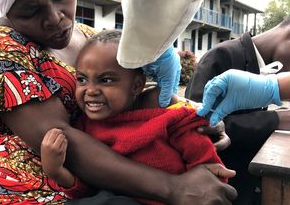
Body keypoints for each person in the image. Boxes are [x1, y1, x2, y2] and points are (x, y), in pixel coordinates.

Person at [0, 0, 237, 204]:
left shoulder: (88, 36)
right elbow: (57, 136)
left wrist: (195, 115)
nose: (55, 17)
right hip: (38, 193)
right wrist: (174, 187)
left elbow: (131, 95)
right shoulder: (2, 46)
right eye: (31, 11)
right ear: (8, 9)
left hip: (108, 182)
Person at [40, 30, 229, 205]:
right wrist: (56, 171)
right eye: (81, 79)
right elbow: (87, 188)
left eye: (105, 80)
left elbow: (209, 173)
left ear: (137, 86)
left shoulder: (167, 115)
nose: (90, 90)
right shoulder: (84, 126)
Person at [185, 17, 290, 204]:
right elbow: (196, 124)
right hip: (218, 185)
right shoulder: (223, 55)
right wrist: (276, 119)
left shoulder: (264, 66)